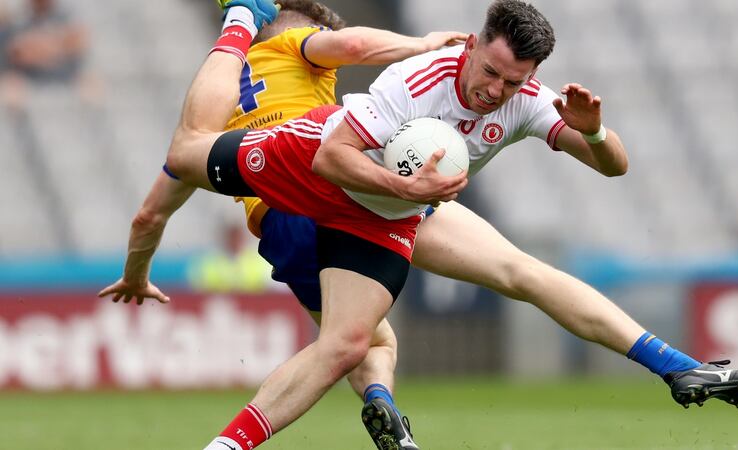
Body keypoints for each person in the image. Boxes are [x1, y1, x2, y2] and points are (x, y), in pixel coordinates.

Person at [102, 1, 738, 449]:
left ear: (532, 76)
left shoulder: (529, 101)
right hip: (308, 168)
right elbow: (335, 155)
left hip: (388, 209)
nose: (494, 92)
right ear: (473, 45)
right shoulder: (417, 78)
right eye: (489, 72)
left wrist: (595, 138)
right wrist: (409, 187)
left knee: (391, 327)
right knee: (188, 150)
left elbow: (615, 168)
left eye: (512, 82)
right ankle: (241, 19)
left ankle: (677, 368)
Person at [98, 1, 466, 448]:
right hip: (330, 193)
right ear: (306, 29)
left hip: (278, 224)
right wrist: (421, 45)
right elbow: (351, 43)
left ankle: (373, 412)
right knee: (367, 343)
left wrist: (135, 277)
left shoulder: (216, 108)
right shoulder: (295, 45)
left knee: (354, 342)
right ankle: (369, 404)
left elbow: (148, 215)